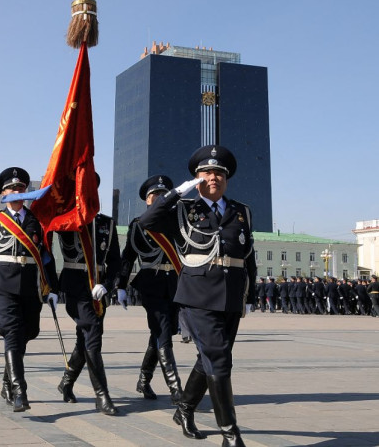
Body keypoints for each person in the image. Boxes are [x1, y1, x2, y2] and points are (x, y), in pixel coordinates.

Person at [137, 145, 256, 447]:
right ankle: (231, 433)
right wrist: (178, 192)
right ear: (196, 178)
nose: (212, 177)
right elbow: (147, 220)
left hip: (230, 297)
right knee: (219, 360)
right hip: (198, 296)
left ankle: (185, 409)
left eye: (218, 172)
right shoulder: (182, 209)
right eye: (206, 173)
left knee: (212, 359)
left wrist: (250, 294)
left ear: (226, 178)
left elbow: (248, 255)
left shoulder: (241, 212)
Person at [0, 167, 58, 413]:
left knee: (27, 333)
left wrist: (51, 287)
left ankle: (7, 383)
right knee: (12, 332)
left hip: (30, 285)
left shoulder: (35, 221)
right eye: (11, 188)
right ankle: (20, 391)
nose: (16, 192)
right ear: (3, 194)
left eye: (20, 188)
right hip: (2, 284)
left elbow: (46, 256)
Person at [56, 172, 123, 416]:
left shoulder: (106, 223)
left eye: (91, 189)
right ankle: (101, 395)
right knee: (93, 335)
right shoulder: (66, 219)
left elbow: (115, 260)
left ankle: (67, 381)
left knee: (85, 339)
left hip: (98, 289)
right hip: (75, 286)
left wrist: (108, 284)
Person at [118, 175, 183, 406]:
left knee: (160, 333)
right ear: (147, 201)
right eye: (154, 195)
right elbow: (128, 257)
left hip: (175, 284)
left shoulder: (179, 221)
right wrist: (121, 286)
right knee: (164, 335)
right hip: (152, 284)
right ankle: (177, 389)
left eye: (163, 194)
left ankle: (143, 380)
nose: (159, 198)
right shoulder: (139, 224)